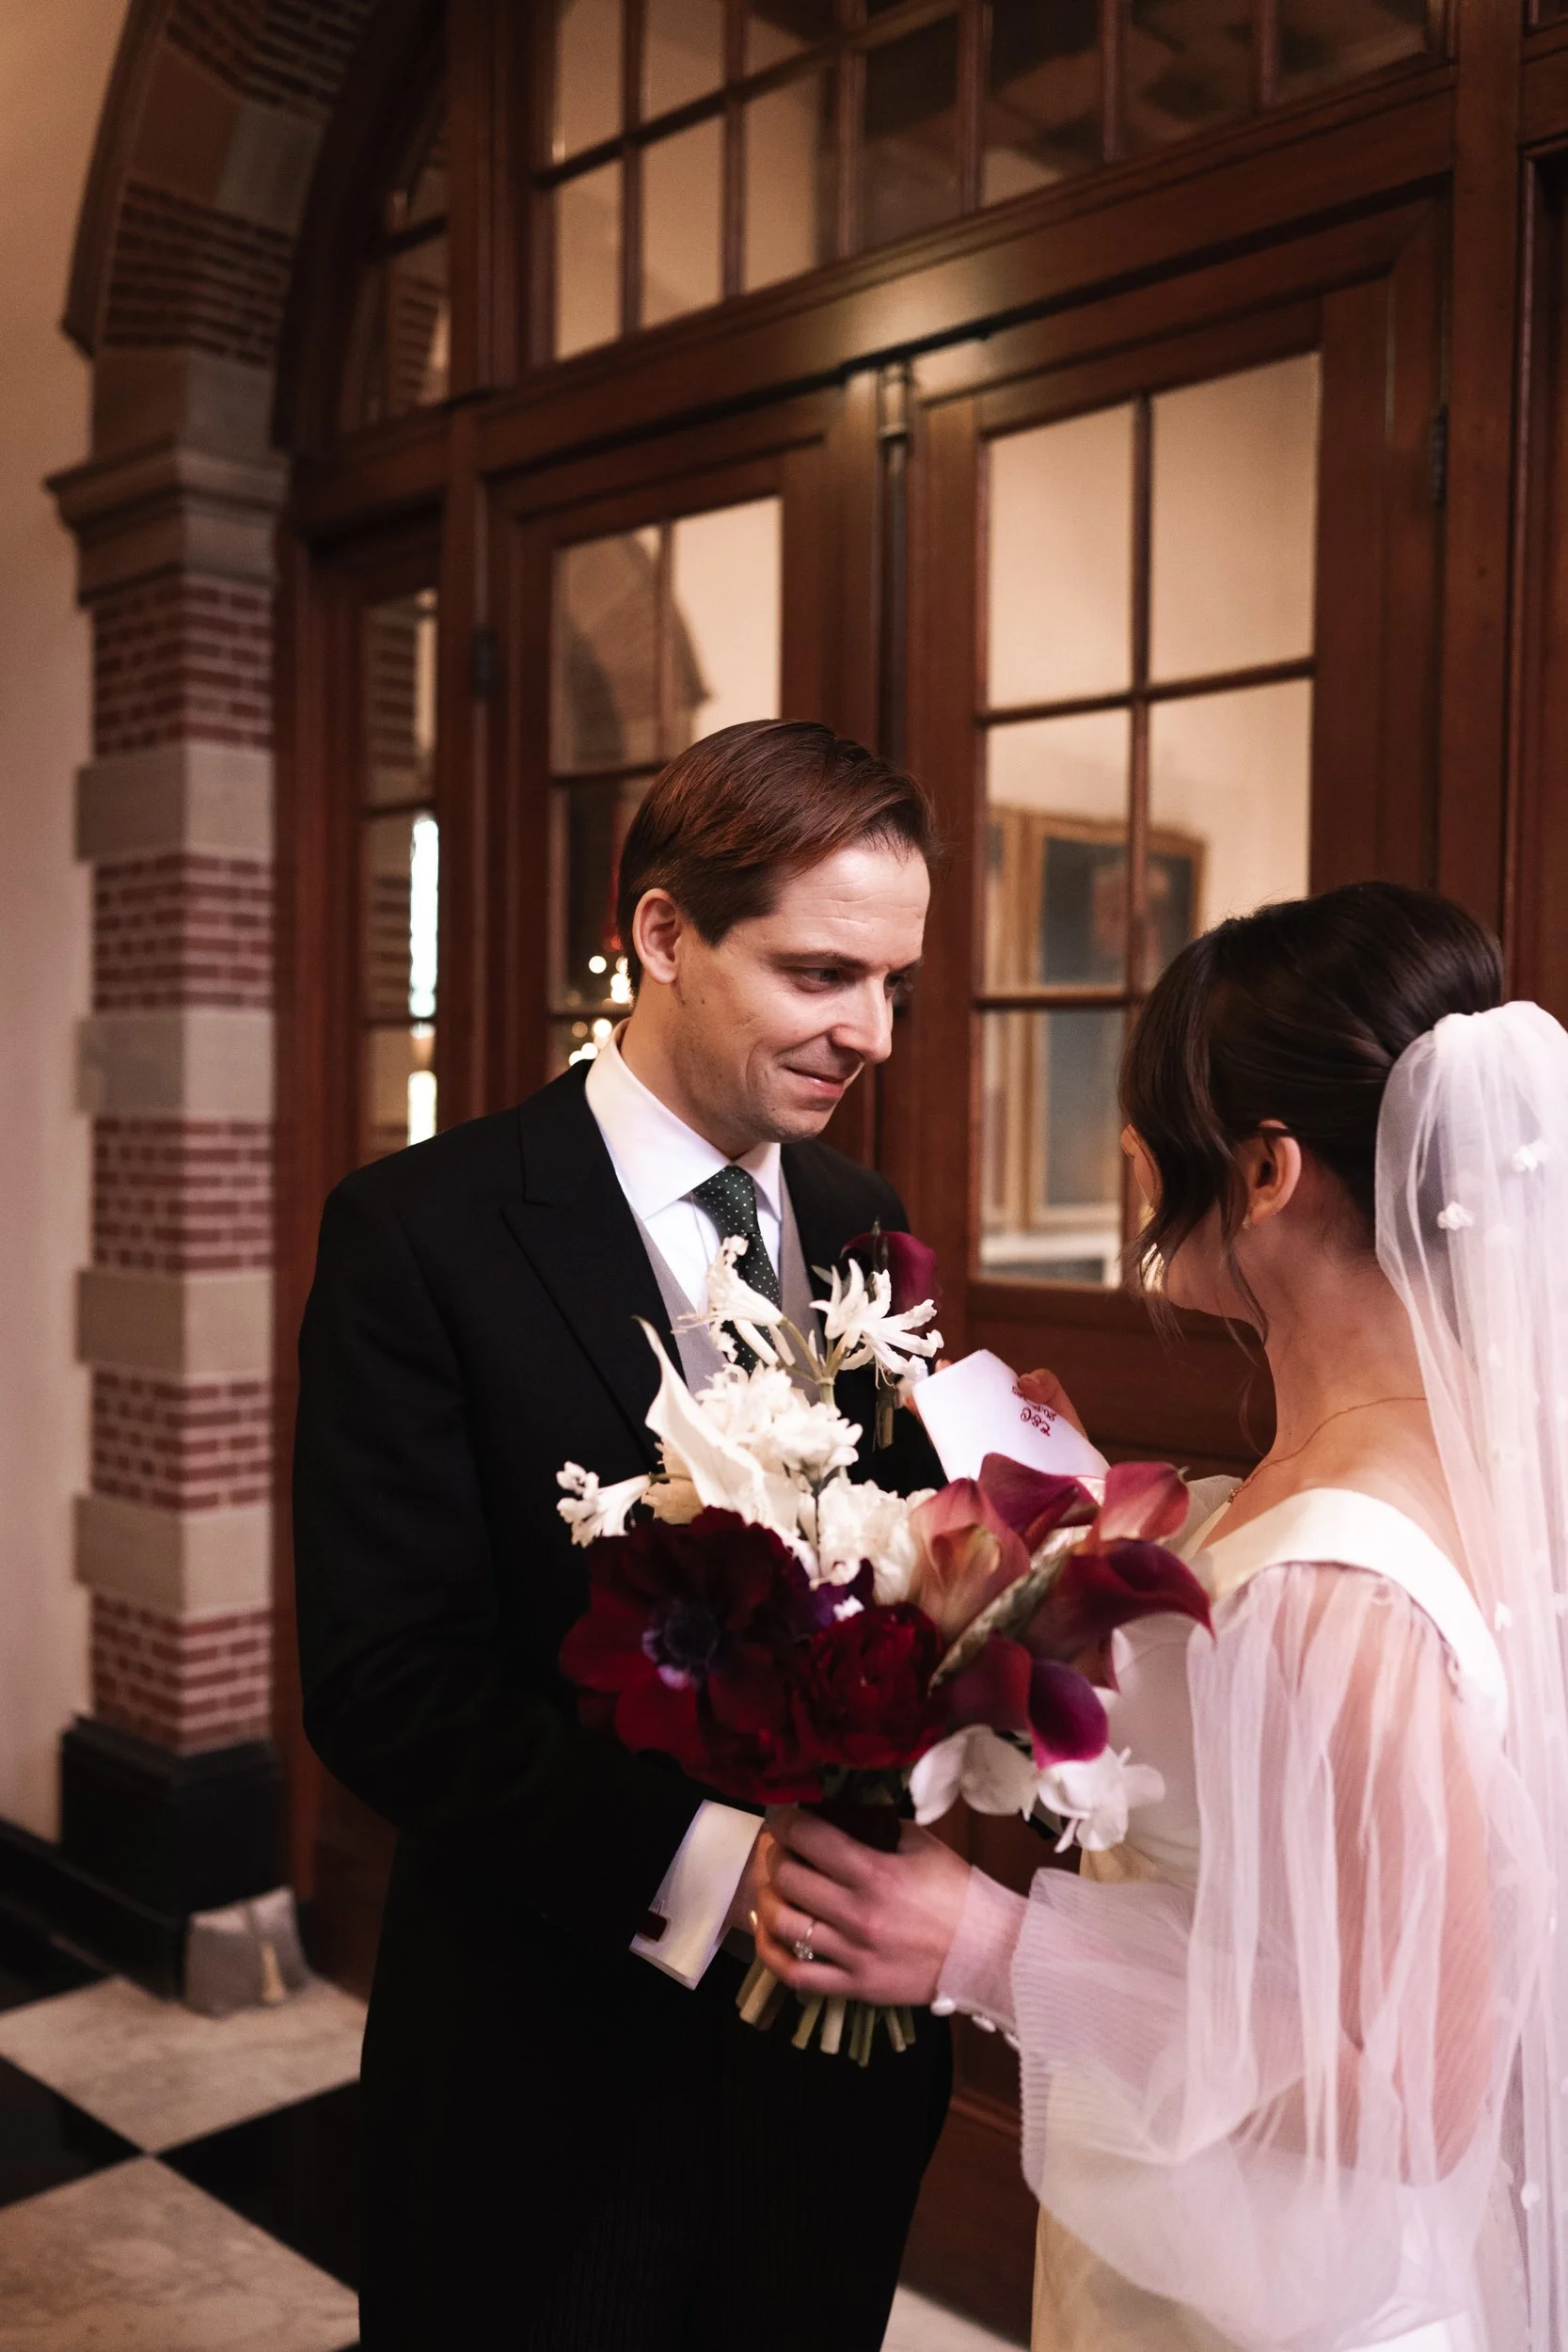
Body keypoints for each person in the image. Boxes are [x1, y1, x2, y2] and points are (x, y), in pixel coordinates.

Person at [757, 882, 1564, 2352]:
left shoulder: (1339, 1587)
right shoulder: (1414, 1459)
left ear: (1261, 1170)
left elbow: (1420, 2086)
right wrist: (1103, 1514)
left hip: (1266, 2290)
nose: (1135, 1184)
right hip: (1212, 2216)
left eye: (1146, 1151)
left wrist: (987, 1946)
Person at [293, 720, 951, 2350]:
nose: (867, 1029)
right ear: (660, 933)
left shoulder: (864, 1219)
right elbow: (387, 1683)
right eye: (818, 975)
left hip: (827, 2088)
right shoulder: (421, 1232)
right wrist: (720, 1876)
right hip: (545, 2062)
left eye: (894, 985)